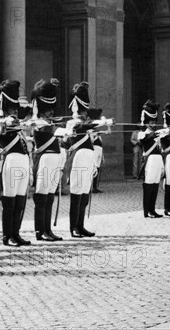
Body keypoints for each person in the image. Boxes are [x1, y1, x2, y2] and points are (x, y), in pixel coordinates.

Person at [0, 79, 31, 247]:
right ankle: (7, 236)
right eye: (11, 109)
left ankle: (16, 233)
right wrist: (4, 124)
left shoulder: (18, 125)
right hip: (11, 161)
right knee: (10, 202)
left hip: (22, 161)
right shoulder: (0, 124)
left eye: (15, 109)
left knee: (21, 201)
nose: (14, 112)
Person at [30, 78, 63, 242]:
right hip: (44, 160)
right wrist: (64, 130)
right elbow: (48, 129)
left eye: (52, 108)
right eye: (48, 109)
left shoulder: (49, 121)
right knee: (42, 195)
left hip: (54, 159)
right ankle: (39, 230)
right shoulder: (37, 121)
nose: (51, 112)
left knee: (49, 196)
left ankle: (47, 229)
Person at [66, 82, 98, 237]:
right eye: (81, 111)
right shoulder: (72, 122)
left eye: (85, 111)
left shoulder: (87, 122)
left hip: (88, 157)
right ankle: (73, 227)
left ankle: (81, 225)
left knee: (85, 192)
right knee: (77, 191)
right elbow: (71, 137)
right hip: (78, 158)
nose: (84, 114)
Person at [138, 100, 163, 218]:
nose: (153, 124)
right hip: (150, 160)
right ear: (147, 123)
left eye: (154, 122)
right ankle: (146, 211)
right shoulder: (143, 133)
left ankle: (152, 209)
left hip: (158, 160)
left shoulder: (156, 133)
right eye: (151, 122)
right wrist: (154, 134)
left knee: (155, 185)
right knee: (148, 185)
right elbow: (143, 140)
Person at [87, 108, 105, 194]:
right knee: (93, 168)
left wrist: (102, 156)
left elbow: (101, 144)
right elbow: (91, 141)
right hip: (94, 150)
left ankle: (95, 186)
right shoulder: (90, 129)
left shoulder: (97, 130)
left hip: (99, 150)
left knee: (97, 168)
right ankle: (90, 186)